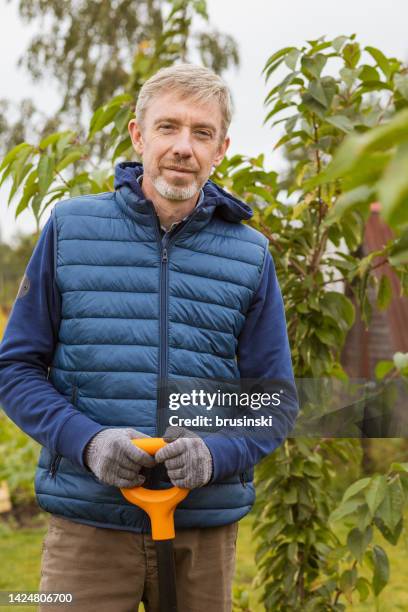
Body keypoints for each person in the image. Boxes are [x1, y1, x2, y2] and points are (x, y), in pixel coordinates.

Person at [0, 63, 298, 611]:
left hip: (200, 530)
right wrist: (87, 443)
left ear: (221, 148)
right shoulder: (69, 230)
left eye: (201, 133)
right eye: (168, 127)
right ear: (139, 135)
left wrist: (216, 454)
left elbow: (274, 400)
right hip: (87, 523)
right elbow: (15, 369)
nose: (183, 147)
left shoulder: (250, 255)